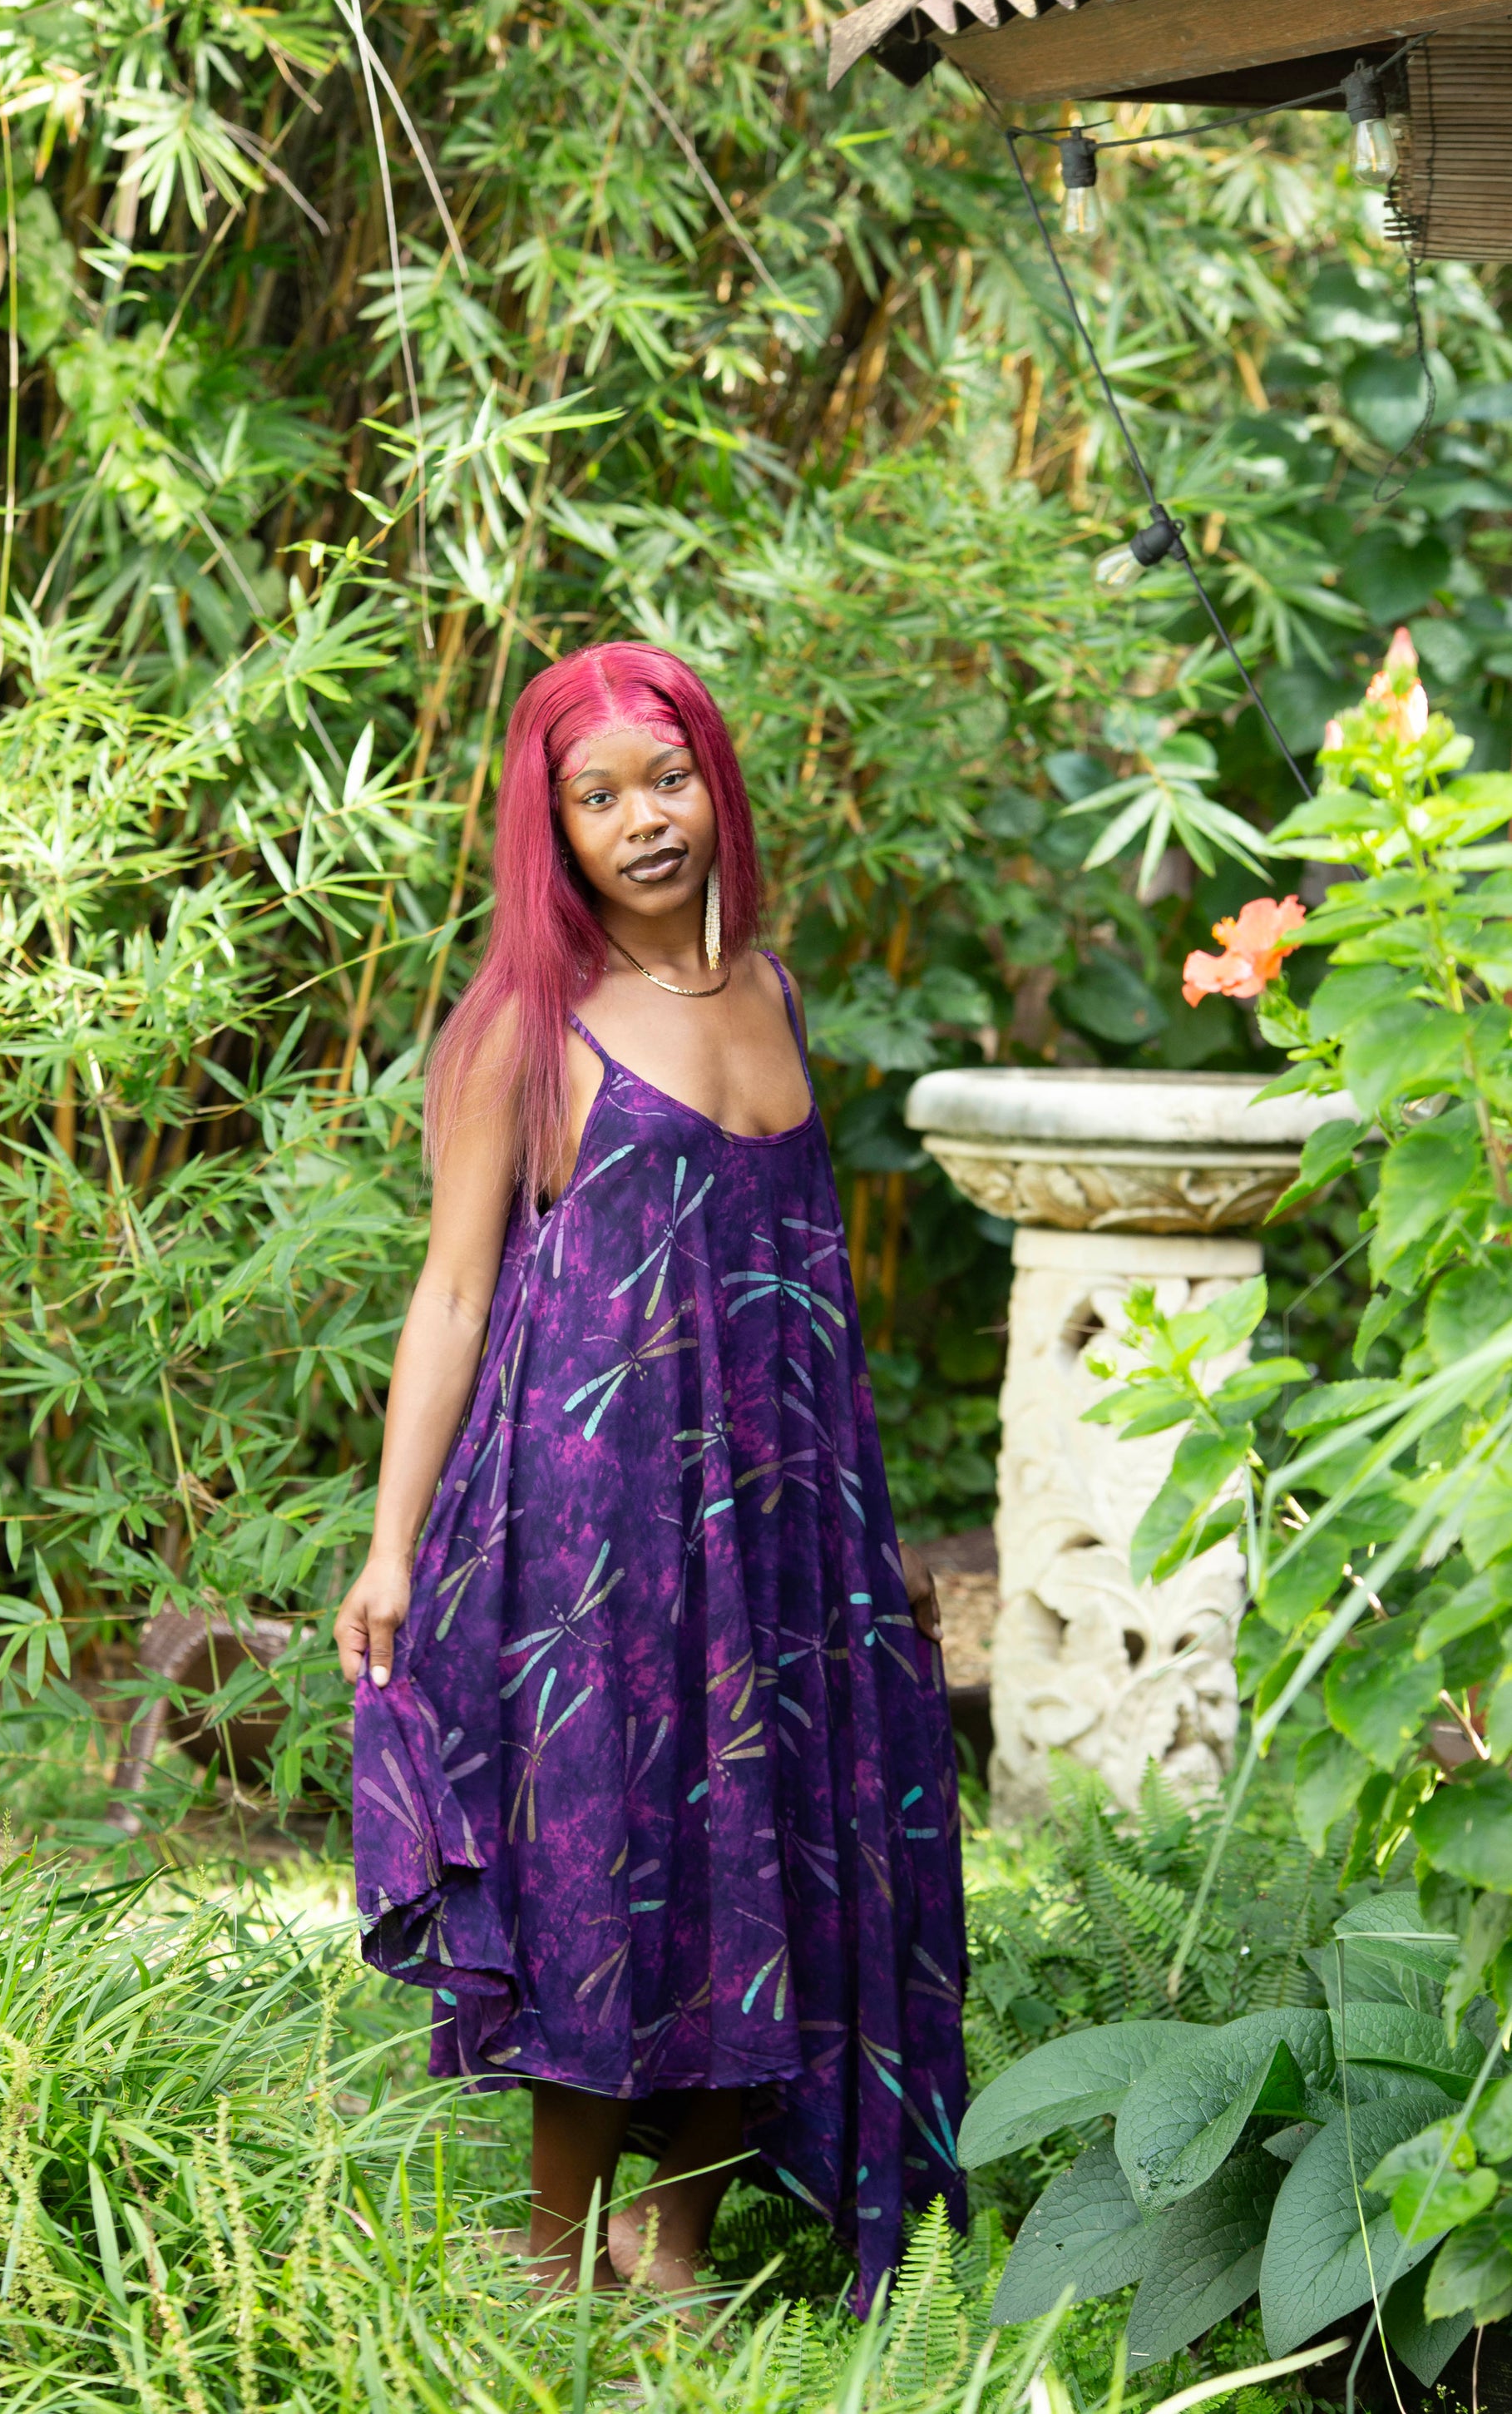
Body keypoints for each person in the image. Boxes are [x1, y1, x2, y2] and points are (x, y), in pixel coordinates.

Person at [339, 641, 967, 2309]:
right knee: (607, 1862)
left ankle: (673, 2246)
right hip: (594, 1517)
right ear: (551, 827)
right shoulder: (523, 1025)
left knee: (768, 1844)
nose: (642, 820)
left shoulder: (771, 990)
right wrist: (392, 1546)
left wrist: (868, 1530)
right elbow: (452, 1292)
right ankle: (557, 2257)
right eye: (598, 796)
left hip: (780, 1508)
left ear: (716, 786)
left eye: (667, 779)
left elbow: (803, 1281)